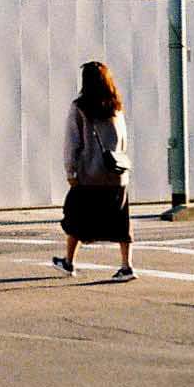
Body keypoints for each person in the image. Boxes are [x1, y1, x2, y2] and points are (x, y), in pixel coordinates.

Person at [53, 61, 134, 281]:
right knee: (121, 222)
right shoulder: (116, 106)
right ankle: (127, 266)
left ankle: (69, 262)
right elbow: (123, 138)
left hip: (90, 175)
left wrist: (71, 173)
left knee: (76, 218)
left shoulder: (79, 107)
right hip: (116, 175)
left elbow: (72, 143)